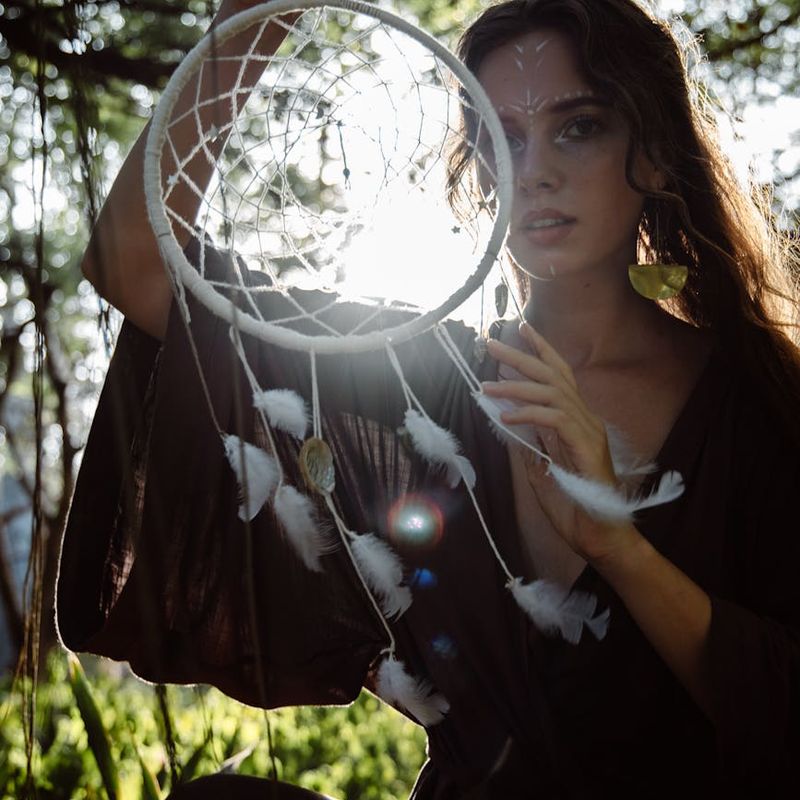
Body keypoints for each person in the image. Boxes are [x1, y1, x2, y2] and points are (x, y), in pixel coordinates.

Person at [56, 0, 800, 797]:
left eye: (578, 126)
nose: (534, 169)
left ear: (653, 153)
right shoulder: (416, 378)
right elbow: (131, 261)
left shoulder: (759, 402)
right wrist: (256, 17)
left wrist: (617, 547)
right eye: (501, 139)